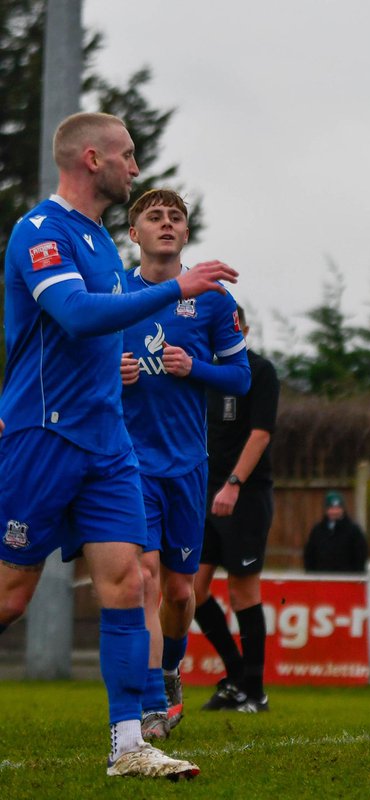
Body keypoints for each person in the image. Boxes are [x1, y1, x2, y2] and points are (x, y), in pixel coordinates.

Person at [0, 111, 237, 779]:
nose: (136, 168)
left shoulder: (103, 242)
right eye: (127, 156)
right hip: (45, 434)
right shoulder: (39, 232)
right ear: (92, 160)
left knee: (131, 584)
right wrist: (174, 288)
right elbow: (74, 316)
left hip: (108, 445)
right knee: (12, 594)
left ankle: (129, 744)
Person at [120, 189, 251, 741]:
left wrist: (194, 366)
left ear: (186, 235)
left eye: (176, 217)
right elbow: (77, 353)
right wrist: (112, 372)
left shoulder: (214, 299)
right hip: (126, 462)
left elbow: (240, 378)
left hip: (185, 465)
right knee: (145, 579)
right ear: (135, 234)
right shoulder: (113, 291)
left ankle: (172, 670)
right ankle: (151, 705)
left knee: (178, 592)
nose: (166, 223)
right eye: (154, 216)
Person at [192, 305, 279, 714]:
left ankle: (255, 691)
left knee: (243, 589)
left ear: (244, 328)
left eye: (233, 326)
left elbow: (260, 435)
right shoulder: (205, 376)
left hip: (244, 496)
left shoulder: (259, 372)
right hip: (203, 494)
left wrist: (233, 484)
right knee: (192, 590)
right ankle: (237, 676)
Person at [304, 491, 368, 574]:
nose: (335, 512)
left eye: (338, 508)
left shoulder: (354, 531)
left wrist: (356, 577)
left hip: (347, 580)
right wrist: (311, 574)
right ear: (326, 510)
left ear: (343, 509)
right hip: (321, 579)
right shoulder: (317, 530)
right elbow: (309, 554)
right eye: (331, 508)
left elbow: (361, 556)